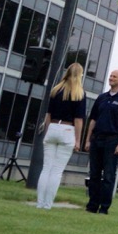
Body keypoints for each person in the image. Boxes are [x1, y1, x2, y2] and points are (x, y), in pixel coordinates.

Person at [35, 61, 86, 210]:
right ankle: (47, 204)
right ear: (80, 75)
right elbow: (78, 120)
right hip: (67, 129)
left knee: (46, 168)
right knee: (56, 171)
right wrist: (78, 140)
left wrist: (47, 133)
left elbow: (48, 114)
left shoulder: (56, 90)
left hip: (53, 127)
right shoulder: (79, 93)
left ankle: (39, 203)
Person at [83, 68, 118, 214]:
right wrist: (88, 139)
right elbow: (93, 119)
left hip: (112, 141)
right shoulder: (101, 98)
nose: (111, 78)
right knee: (94, 174)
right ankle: (92, 205)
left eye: (114, 76)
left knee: (108, 175)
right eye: (110, 76)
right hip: (97, 139)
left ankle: (104, 208)